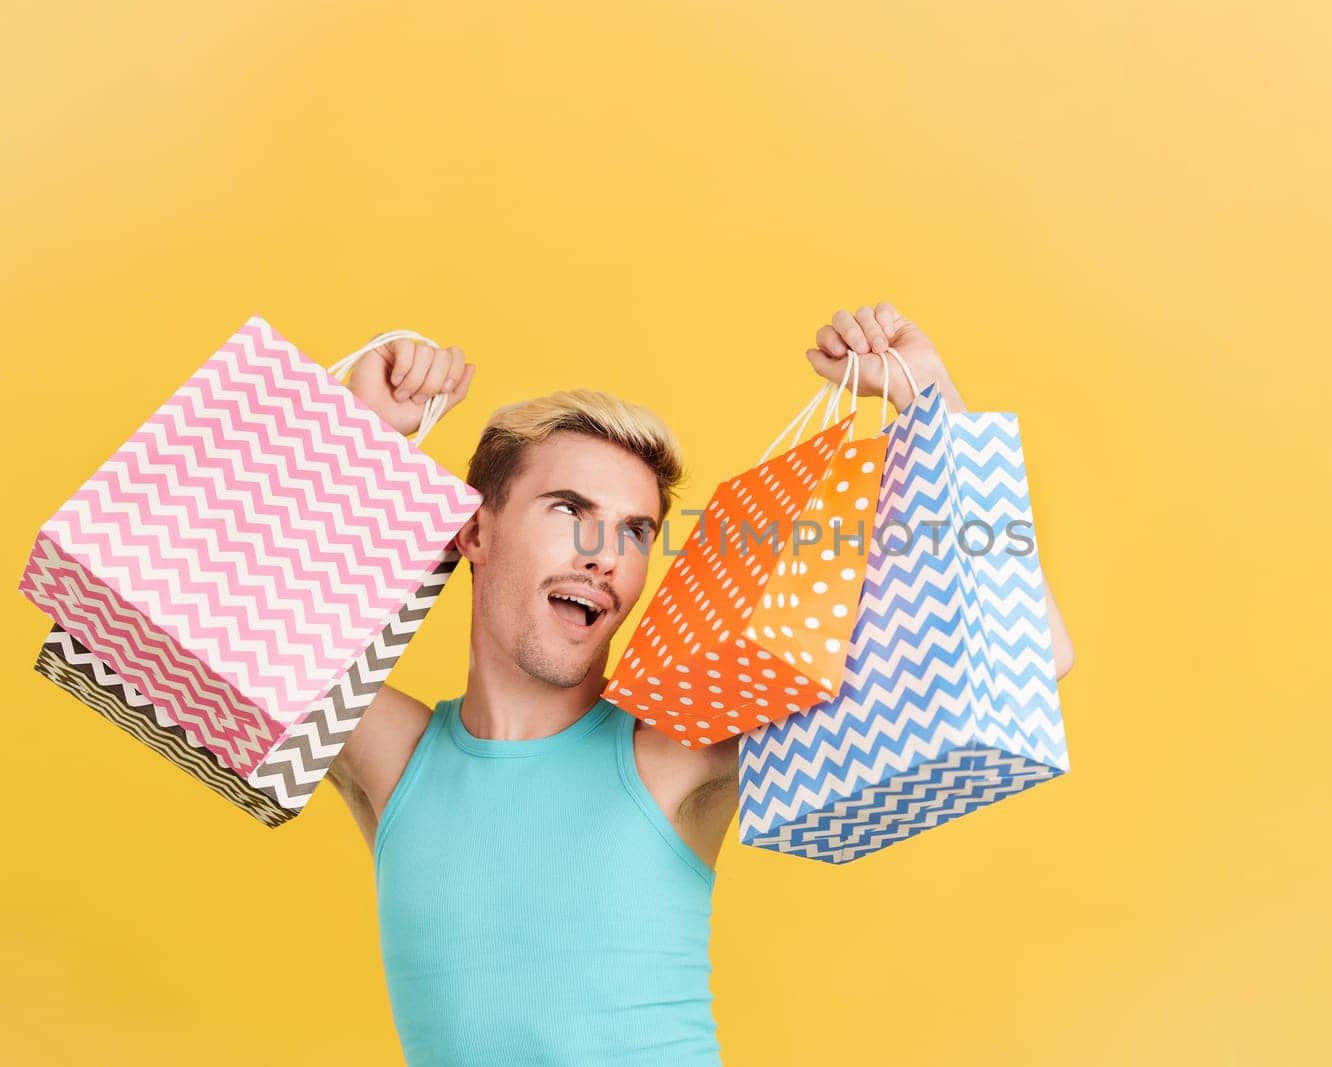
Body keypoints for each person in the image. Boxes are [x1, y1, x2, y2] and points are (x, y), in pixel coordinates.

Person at [326, 302, 1076, 1065]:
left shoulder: (674, 751)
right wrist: (359, 432)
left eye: (635, 531)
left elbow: (1030, 653)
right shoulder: (392, 757)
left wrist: (927, 394)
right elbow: (218, 618)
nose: (603, 555)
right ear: (475, 531)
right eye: (570, 510)